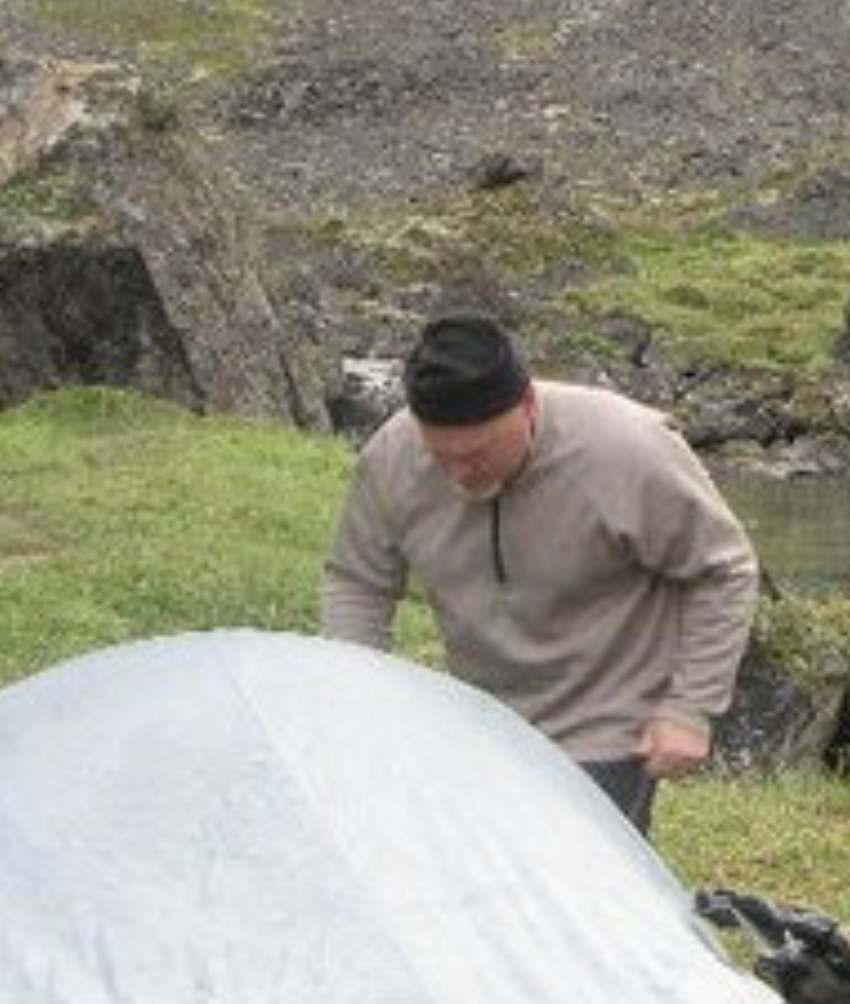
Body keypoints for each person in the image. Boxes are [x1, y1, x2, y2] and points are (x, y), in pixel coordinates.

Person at [322, 313, 761, 834]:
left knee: (580, 889)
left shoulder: (627, 449)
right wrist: (353, 699)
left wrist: (690, 709)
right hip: (479, 723)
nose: (460, 473)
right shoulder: (393, 456)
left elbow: (723, 570)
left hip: (607, 723)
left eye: (478, 453)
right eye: (442, 456)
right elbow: (358, 581)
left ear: (528, 406)